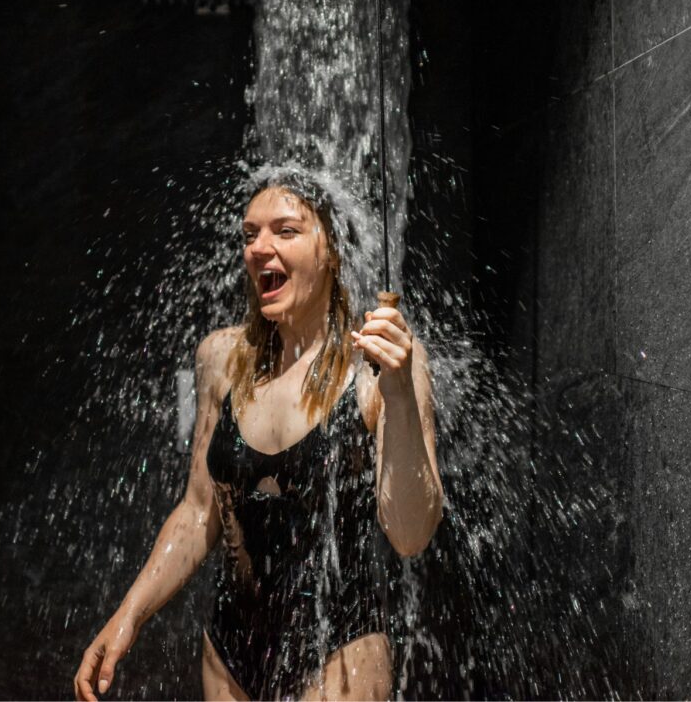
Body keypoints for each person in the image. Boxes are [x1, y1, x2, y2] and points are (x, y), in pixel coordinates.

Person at [74, 172, 442, 701]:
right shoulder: (221, 359)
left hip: (341, 652)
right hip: (228, 653)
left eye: (285, 230)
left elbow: (410, 534)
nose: (259, 248)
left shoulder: (381, 366)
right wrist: (127, 617)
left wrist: (400, 393)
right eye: (250, 234)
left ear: (332, 251)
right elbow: (200, 512)